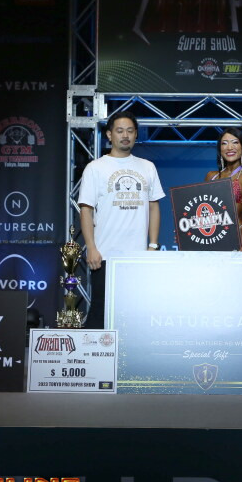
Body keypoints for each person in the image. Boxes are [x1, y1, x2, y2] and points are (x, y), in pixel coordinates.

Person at [77, 112, 164, 328]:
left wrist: (153, 246)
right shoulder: (95, 167)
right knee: (100, 314)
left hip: (138, 257)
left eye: (130, 131)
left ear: (135, 135)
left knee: (136, 317)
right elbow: (86, 210)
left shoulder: (147, 167)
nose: (125, 135)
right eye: (119, 131)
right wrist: (91, 248)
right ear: (109, 135)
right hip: (105, 254)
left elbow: (154, 206)